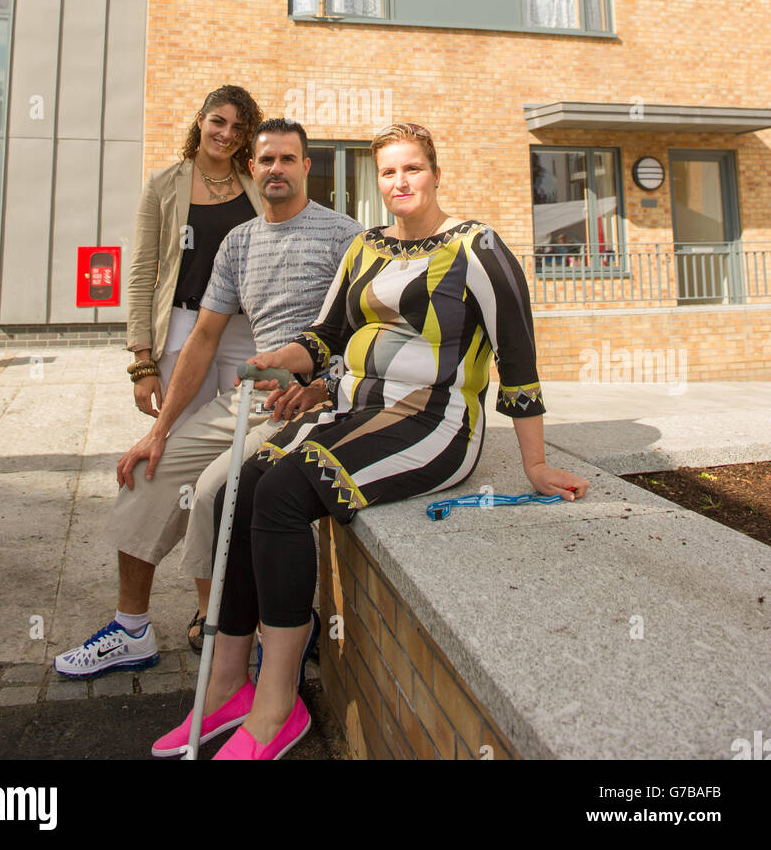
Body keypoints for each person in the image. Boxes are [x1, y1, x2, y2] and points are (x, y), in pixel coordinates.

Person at [151, 121, 590, 761]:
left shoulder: (477, 247)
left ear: (435, 173)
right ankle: (226, 687)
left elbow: (517, 358)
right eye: (388, 171)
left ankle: (278, 702)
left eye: (412, 169)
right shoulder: (367, 247)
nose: (400, 182)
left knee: (278, 498)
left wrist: (537, 463)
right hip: (354, 408)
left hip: (431, 422)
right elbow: (328, 334)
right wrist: (285, 353)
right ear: (376, 180)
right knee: (235, 492)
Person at [53, 119, 361, 680]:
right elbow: (203, 337)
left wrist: (325, 384)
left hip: (311, 404)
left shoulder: (344, 236)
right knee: (150, 470)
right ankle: (131, 629)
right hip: (247, 400)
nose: (275, 170)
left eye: (287, 159)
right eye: (265, 160)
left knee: (219, 490)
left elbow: (363, 332)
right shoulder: (238, 242)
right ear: (251, 168)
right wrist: (159, 429)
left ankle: (250, 635)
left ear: (306, 167)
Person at [125, 84, 263, 651]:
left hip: (242, 332)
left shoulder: (255, 187)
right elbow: (141, 271)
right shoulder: (165, 183)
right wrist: (141, 360)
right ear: (201, 121)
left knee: (227, 468)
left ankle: (213, 611)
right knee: (174, 464)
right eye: (218, 121)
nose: (225, 134)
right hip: (184, 330)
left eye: (237, 127)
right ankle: (155, 615)